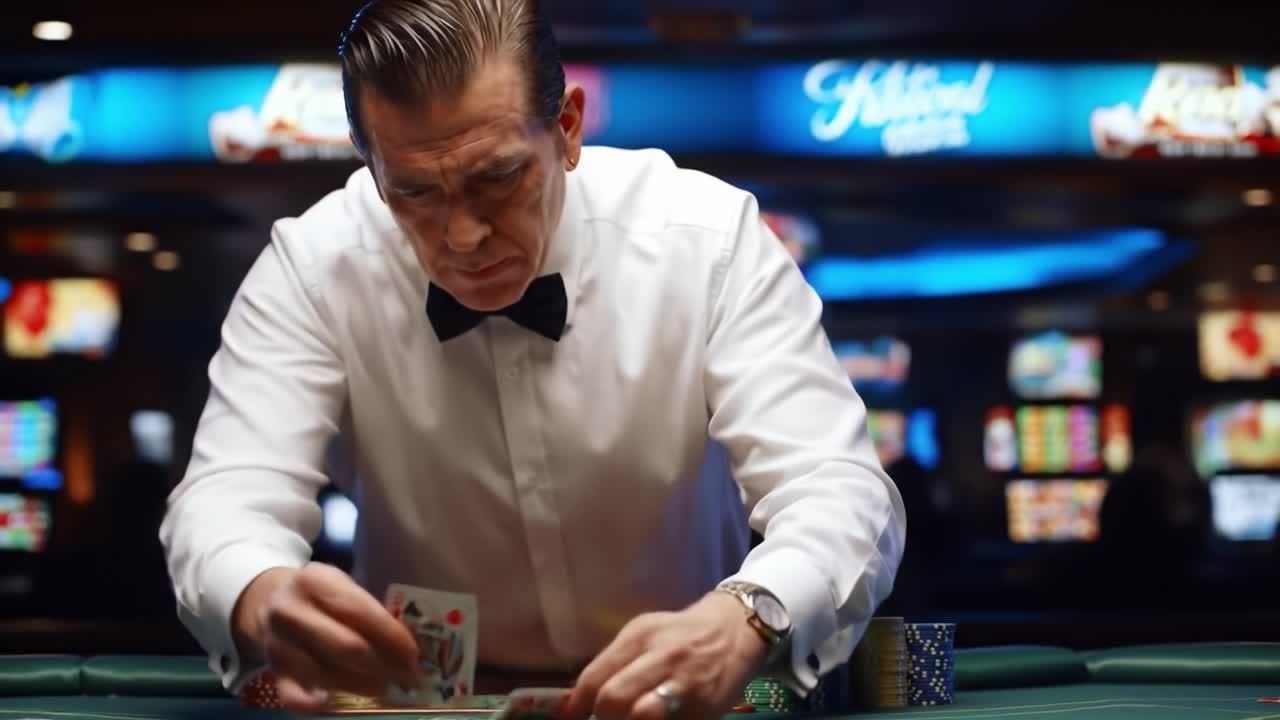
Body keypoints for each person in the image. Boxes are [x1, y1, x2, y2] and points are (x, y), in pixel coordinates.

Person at [159, 1, 906, 719]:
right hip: (427, 712)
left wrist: (749, 616)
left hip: (682, 707)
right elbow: (223, 501)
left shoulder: (708, 239)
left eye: (496, 178)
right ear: (370, 163)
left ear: (568, 127)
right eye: (414, 191)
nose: (461, 236)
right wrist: (257, 590)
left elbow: (837, 489)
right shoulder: (315, 266)